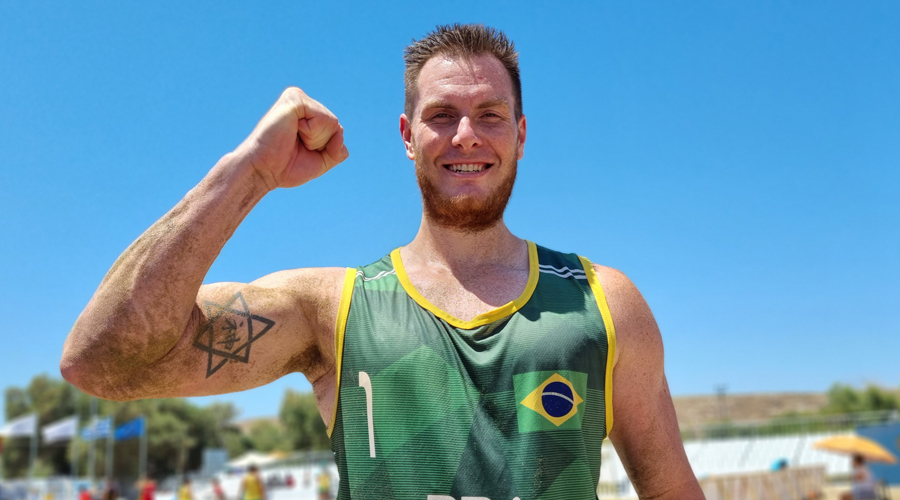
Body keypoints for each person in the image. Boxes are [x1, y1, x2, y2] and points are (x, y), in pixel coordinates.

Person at [61, 23, 703, 499]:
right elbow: (101, 360)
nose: (466, 135)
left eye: (490, 115)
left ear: (522, 134)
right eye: (441, 116)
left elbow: (670, 489)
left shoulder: (602, 301)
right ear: (406, 137)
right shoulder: (331, 309)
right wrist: (247, 172)